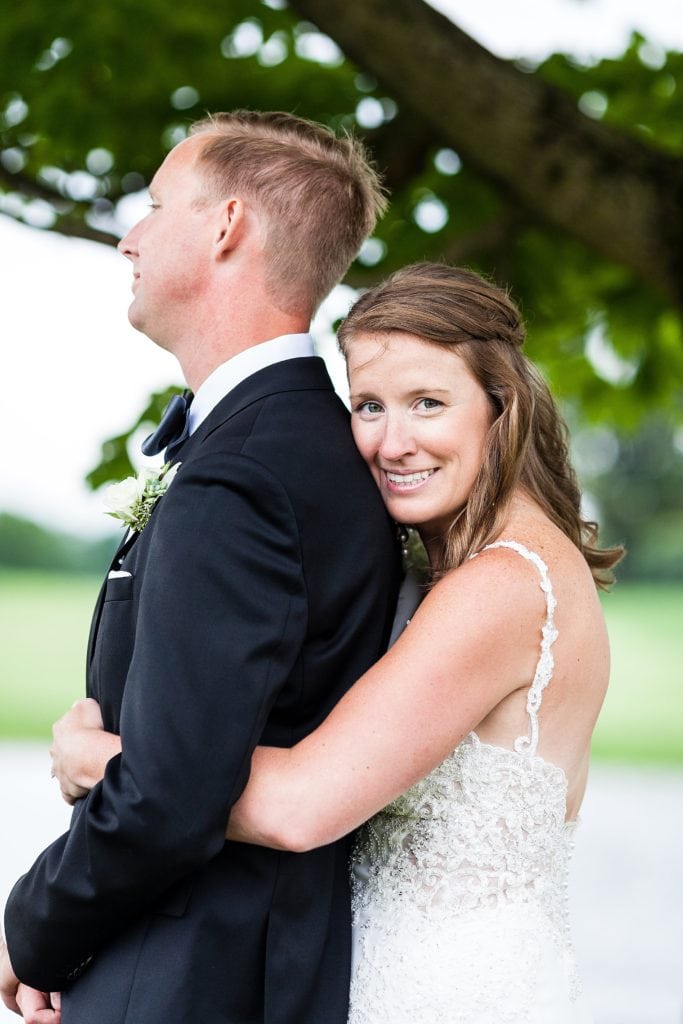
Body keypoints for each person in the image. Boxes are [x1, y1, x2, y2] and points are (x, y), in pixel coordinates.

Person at [51, 262, 624, 1022]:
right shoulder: (452, 569)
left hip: (447, 993)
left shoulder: (503, 586)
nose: (392, 442)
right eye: (367, 406)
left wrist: (108, 760)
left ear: (500, 406)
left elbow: (300, 808)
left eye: (428, 403)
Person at [0, 111, 402, 1024]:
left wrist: (33, 929)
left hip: (190, 982)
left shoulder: (247, 473)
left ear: (226, 226)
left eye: (151, 206)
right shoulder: (296, 445)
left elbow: (170, 796)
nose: (128, 237)